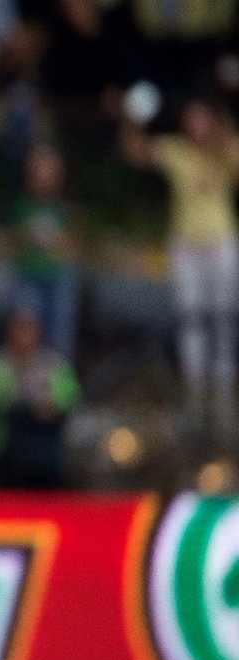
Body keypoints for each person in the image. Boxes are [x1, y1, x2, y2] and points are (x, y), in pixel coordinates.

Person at [119, 99, 239, 437]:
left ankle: (224, 390)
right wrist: (131, 118)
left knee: (222, 315)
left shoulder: (226, 148)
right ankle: (195, 388)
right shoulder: (176, 151)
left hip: (221, 240)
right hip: (186, 243)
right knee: (191, 316)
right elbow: (136, 153)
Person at [0, 307, 81, 488]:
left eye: (28, 328)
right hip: (8, 446)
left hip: (49, 444)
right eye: (19, 328)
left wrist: (49, 409)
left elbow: (70, 399)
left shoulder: (54, 364)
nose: (24, 335)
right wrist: (31, 407)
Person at [6, 142, 78, 359]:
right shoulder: (21, 207)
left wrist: (56, 243)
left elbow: (71, 247)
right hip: (28, 276)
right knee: (27, 330)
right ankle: (28, 383)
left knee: (59, 332)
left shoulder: (64, 209)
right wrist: (26, 236)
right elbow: (11, 244)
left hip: (58, 277)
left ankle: (60, 384)